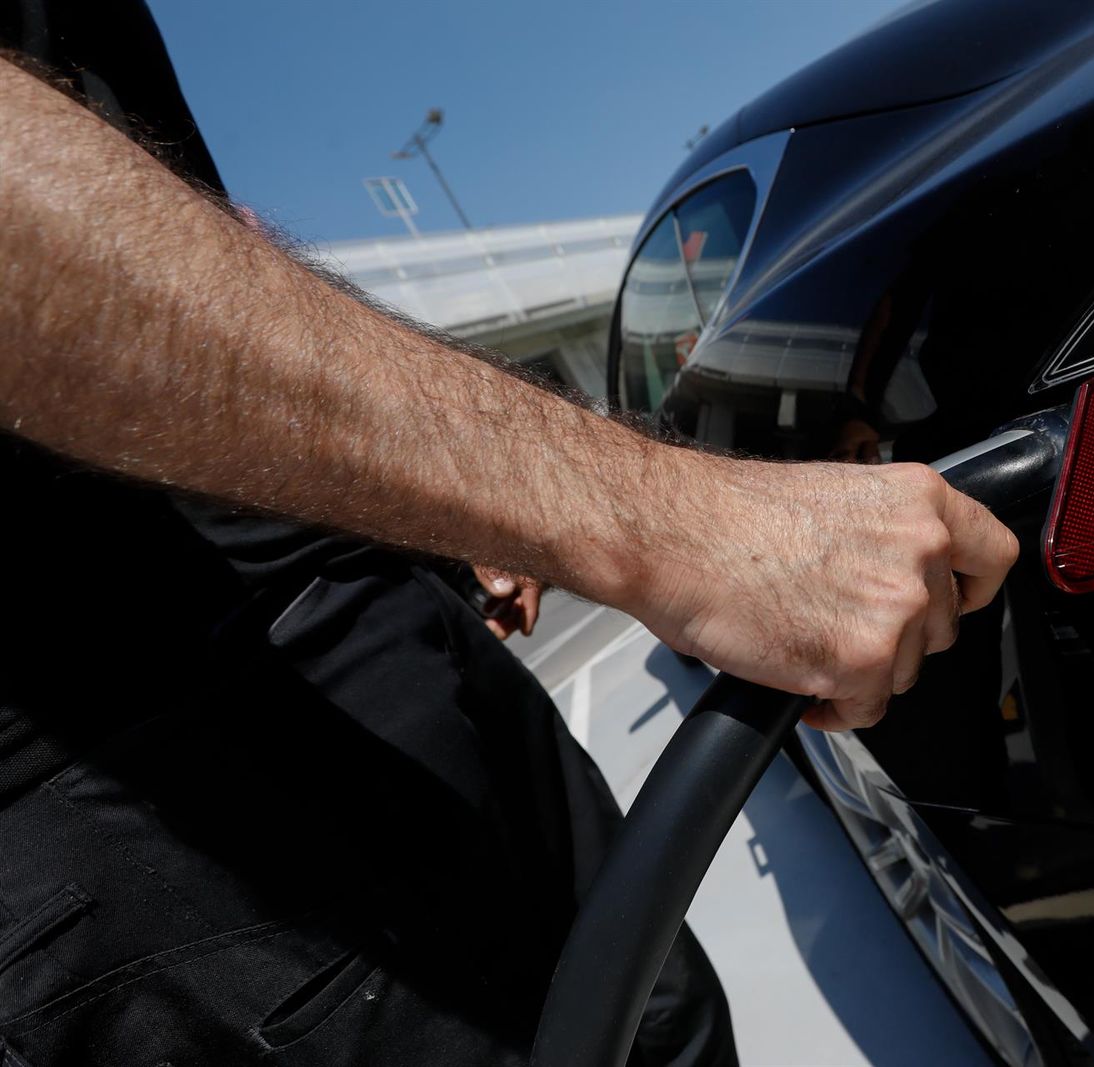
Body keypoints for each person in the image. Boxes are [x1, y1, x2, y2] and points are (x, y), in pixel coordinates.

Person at [0, 4, 1019, 1066]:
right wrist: (661, 519)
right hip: (142, 790)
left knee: (664, 1026)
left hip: (349, 634)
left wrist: (438, 527)